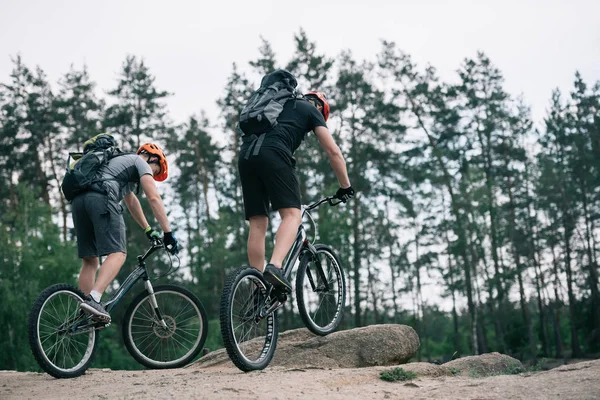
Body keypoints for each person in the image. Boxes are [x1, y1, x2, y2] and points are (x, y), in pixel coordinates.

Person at [238, 90, 354, 295]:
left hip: (246, 156)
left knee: (258, 223)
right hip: (274, 153)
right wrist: (345, 186)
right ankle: (275, 267)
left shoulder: (275, 105)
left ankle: (257, 286)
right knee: (292, 215)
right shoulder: (311, 109)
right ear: (321, 107)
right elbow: (333, 151)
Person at [74, 142, 179, 322]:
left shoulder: (118, 165)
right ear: (153, 159)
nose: (152, 175)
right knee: (118, 253)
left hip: (79, 201)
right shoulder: (141, 162)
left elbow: (131, 202)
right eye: (155, 172)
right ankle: (94, 299)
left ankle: (84, 310)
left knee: (90, 261)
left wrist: (148, 229)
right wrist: (167, 232)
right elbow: (153, 198)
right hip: (102, 197)